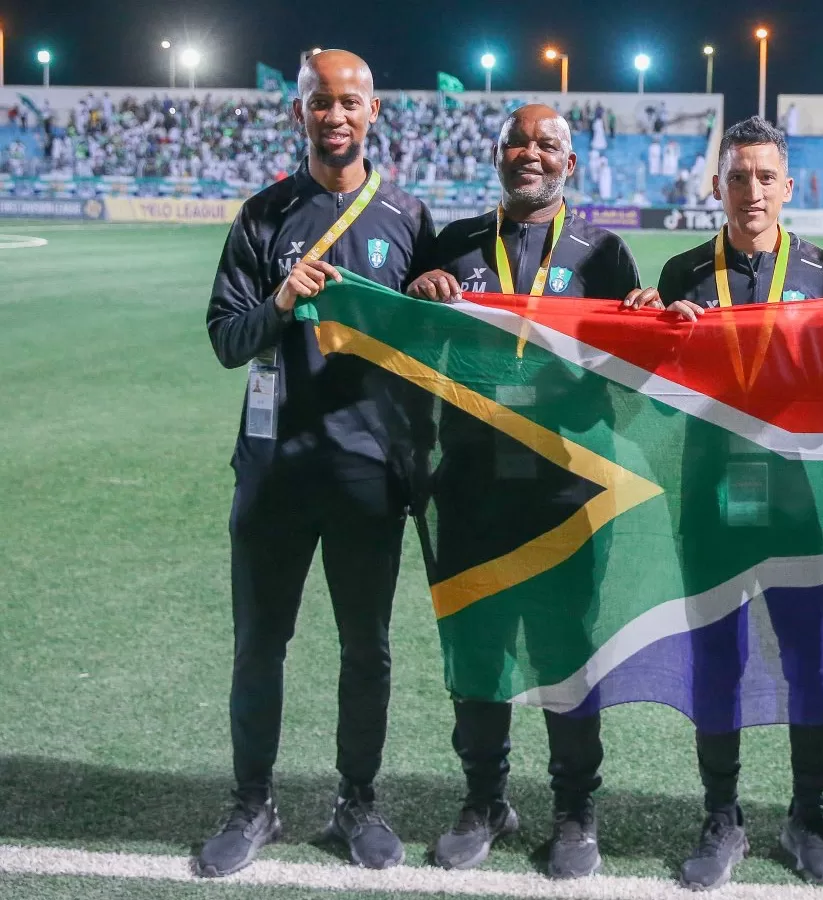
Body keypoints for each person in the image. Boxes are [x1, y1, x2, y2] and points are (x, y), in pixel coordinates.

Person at [197, 49, 437, 879]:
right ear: (298, 114)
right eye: (319, 103)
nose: (335, 116)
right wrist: (280, 302)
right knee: (260, 643)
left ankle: (356, 802)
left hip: (370, 476)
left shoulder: (409, 217)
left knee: (365, 649)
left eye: (349, 102)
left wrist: (438, 291)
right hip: (274, 473)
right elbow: (228, 340)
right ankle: (252, 801)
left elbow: (433, 344)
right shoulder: (262, 217)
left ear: (373, 113)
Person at [404, 104, 643, 878]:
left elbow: (635, 376)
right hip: (470, 486)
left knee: (567, 653)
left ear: (569, 164)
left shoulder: (605, 253)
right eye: (517, 141)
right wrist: (420, 294)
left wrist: (646, 325)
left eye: (546, 144)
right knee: (477, 652)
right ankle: (485, 802)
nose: (529, 153)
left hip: (568, 492)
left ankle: (575, 812)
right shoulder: (454, 245)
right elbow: (412, 352)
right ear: (499, 155)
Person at [623, 117, 823, 890]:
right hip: (711, 500)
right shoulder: (683, 272)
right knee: (717, 662)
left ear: (788, 188)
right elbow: (648, 401)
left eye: (765, 177)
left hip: (800, 501)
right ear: (715, 186)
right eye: (737, 176)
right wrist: (653, 337)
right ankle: (721, 816)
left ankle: (808, 815)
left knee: (807, 664)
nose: (751, 190)